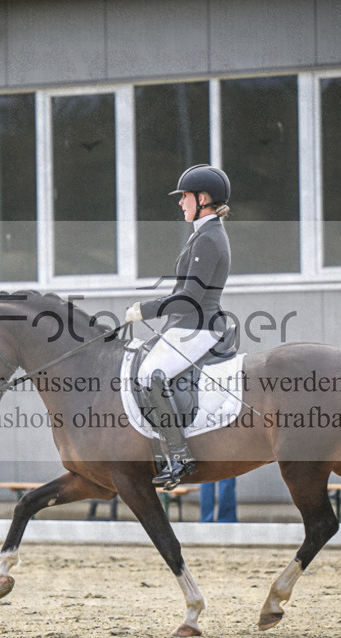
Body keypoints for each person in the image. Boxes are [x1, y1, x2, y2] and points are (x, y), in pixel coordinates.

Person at [124, 164, 232, 489]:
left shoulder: (209, 238)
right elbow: (180, 294)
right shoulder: (202, 235)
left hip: (199, 325)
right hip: (185, 325)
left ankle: (181, 456)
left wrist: (146, 310)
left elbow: (190, 297)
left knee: (150, 375)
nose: (180, 202)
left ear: (202, 198)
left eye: (184, 196)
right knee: (140, 365)